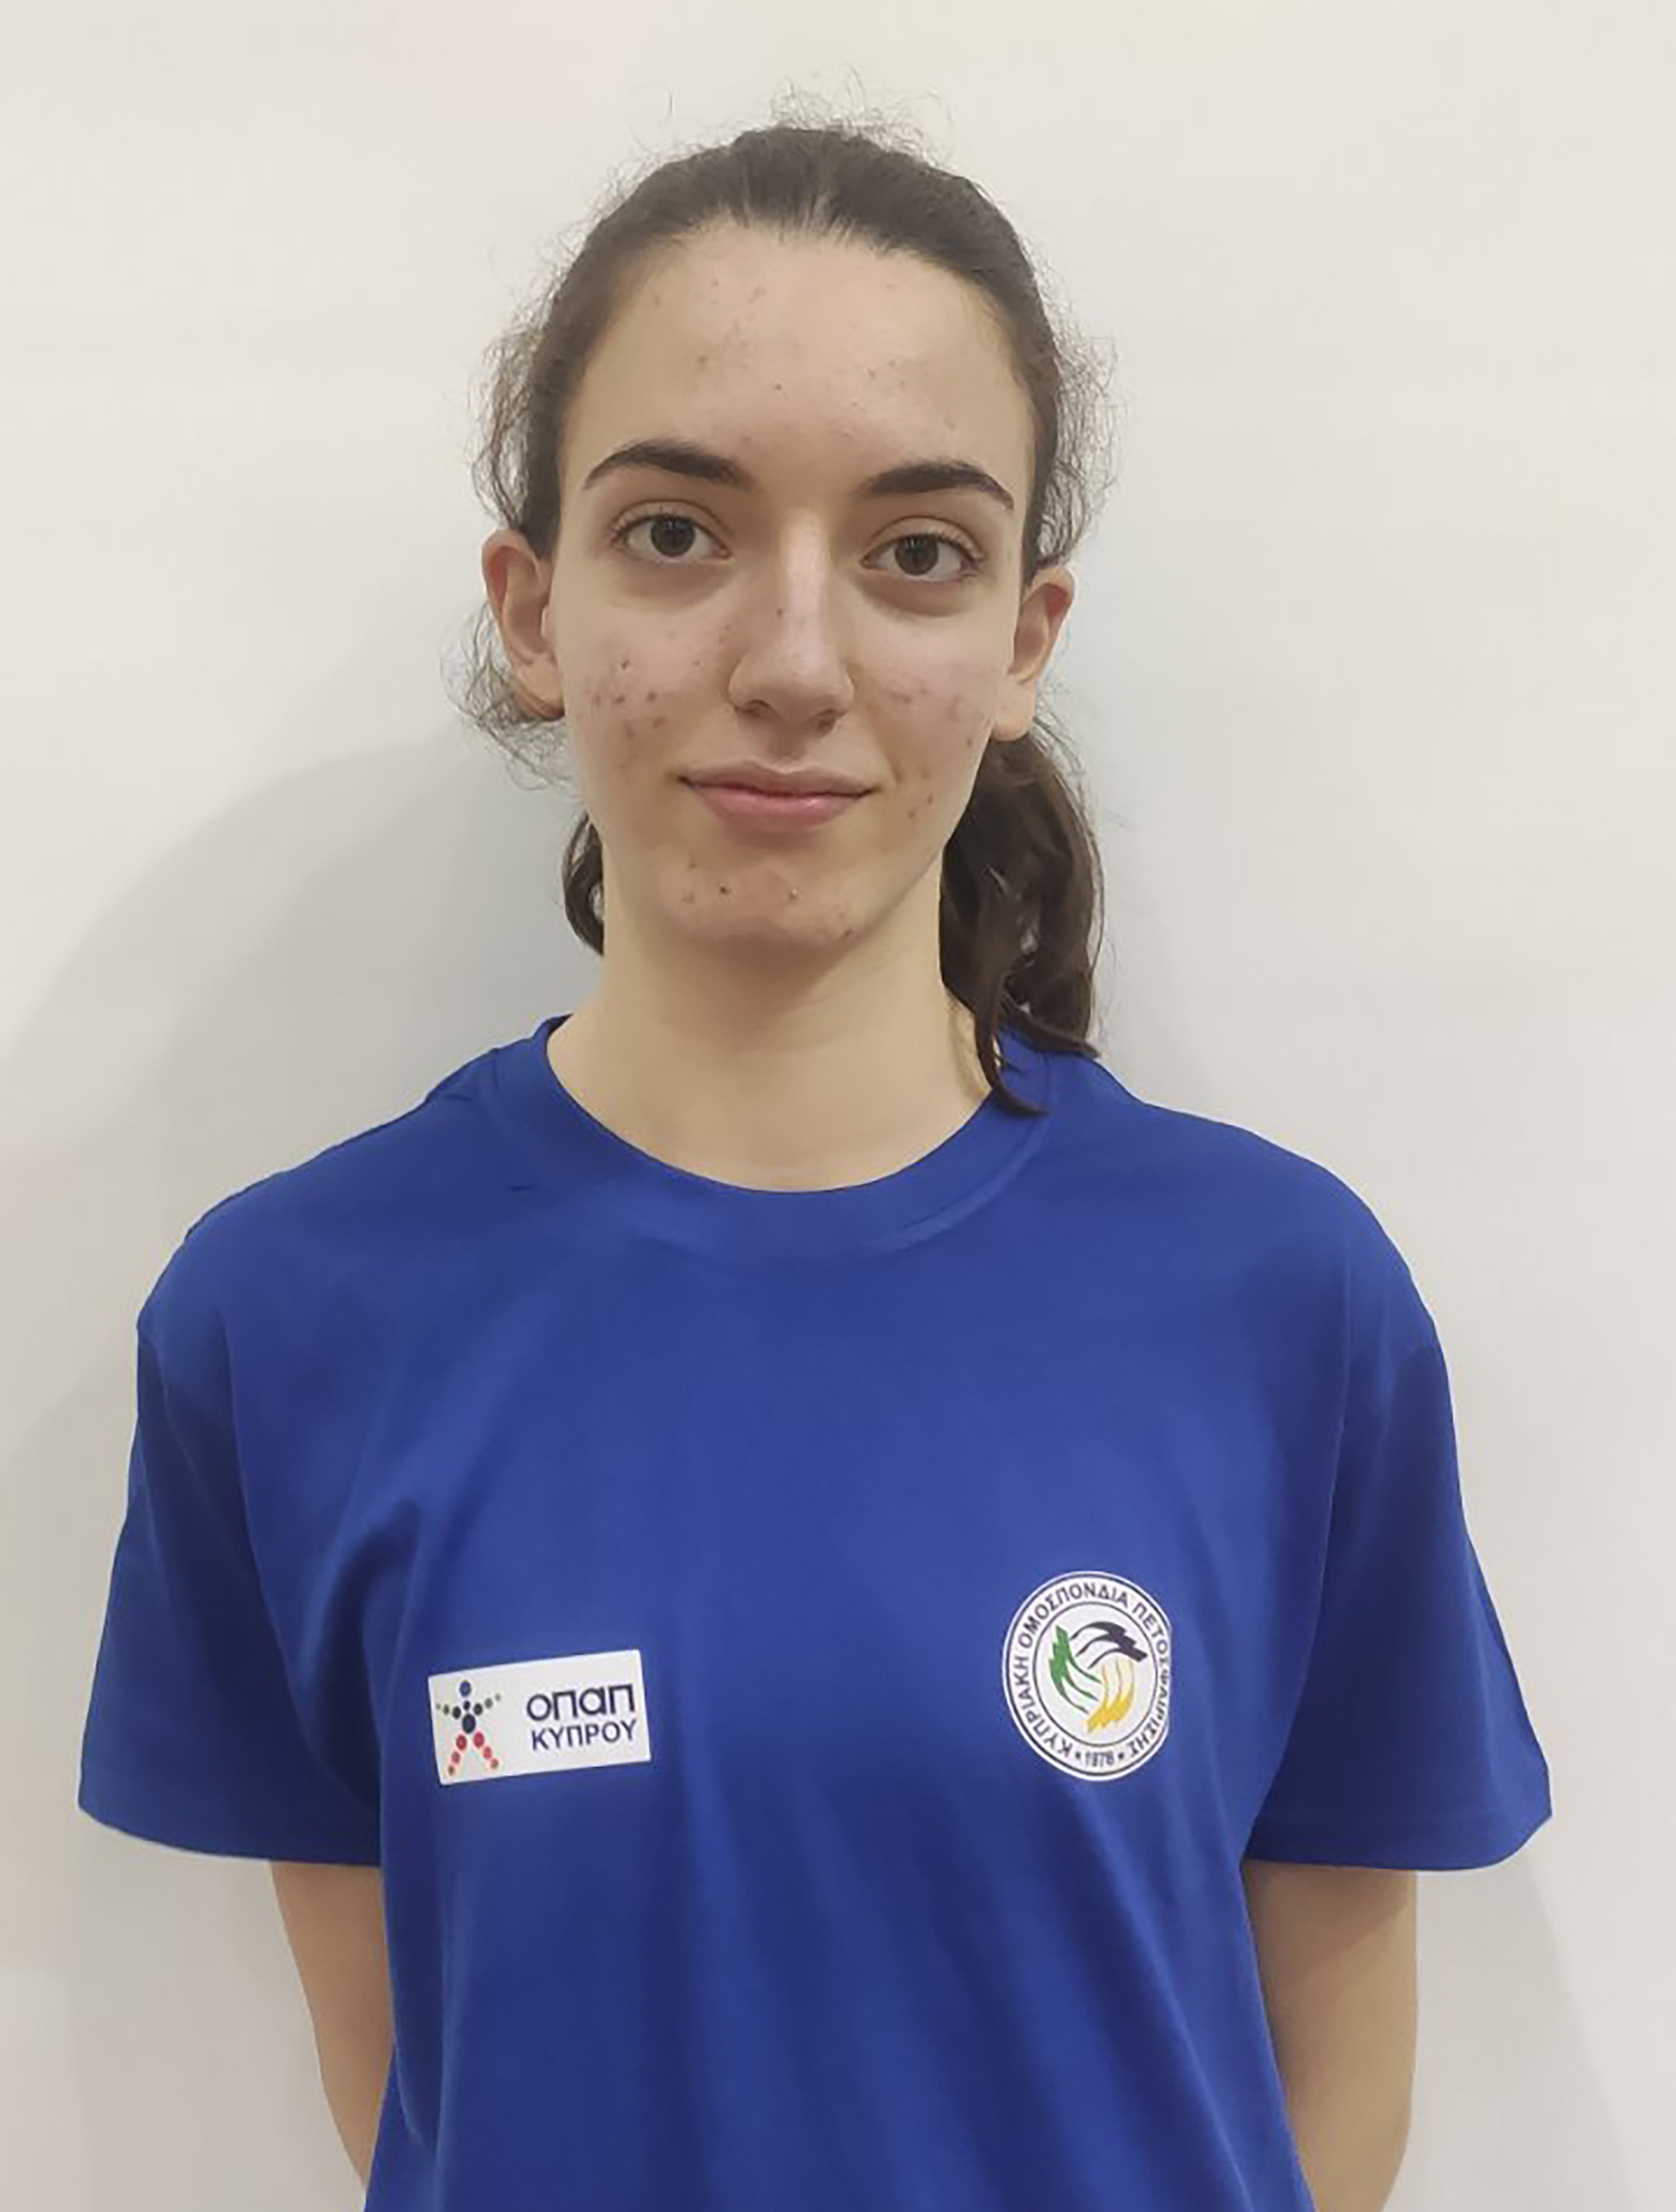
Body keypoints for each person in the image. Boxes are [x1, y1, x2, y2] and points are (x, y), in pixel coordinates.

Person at [76, 101, 1553, 2212]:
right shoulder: (288, 1319)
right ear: (532, 607)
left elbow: (1332, 2082)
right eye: (677, 532)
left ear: (1022, 641)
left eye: (915, 553)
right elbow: (422, 2074)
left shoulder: (1280, 1300)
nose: (789, 662)